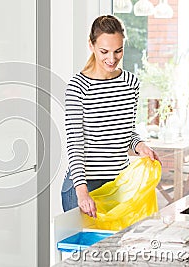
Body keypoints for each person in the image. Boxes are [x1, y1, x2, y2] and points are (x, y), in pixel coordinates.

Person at [62, 15, 160, 218]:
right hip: (84, 186)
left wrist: (139, 145)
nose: (112, 58)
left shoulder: (130, 83)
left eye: (118, 51)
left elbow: (125, 132)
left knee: (118, 249)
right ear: (91, 45)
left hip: (118, 184)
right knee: (86, 251)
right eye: (104, 51)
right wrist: (82, 194)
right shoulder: (78, 87)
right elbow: (75, 143)